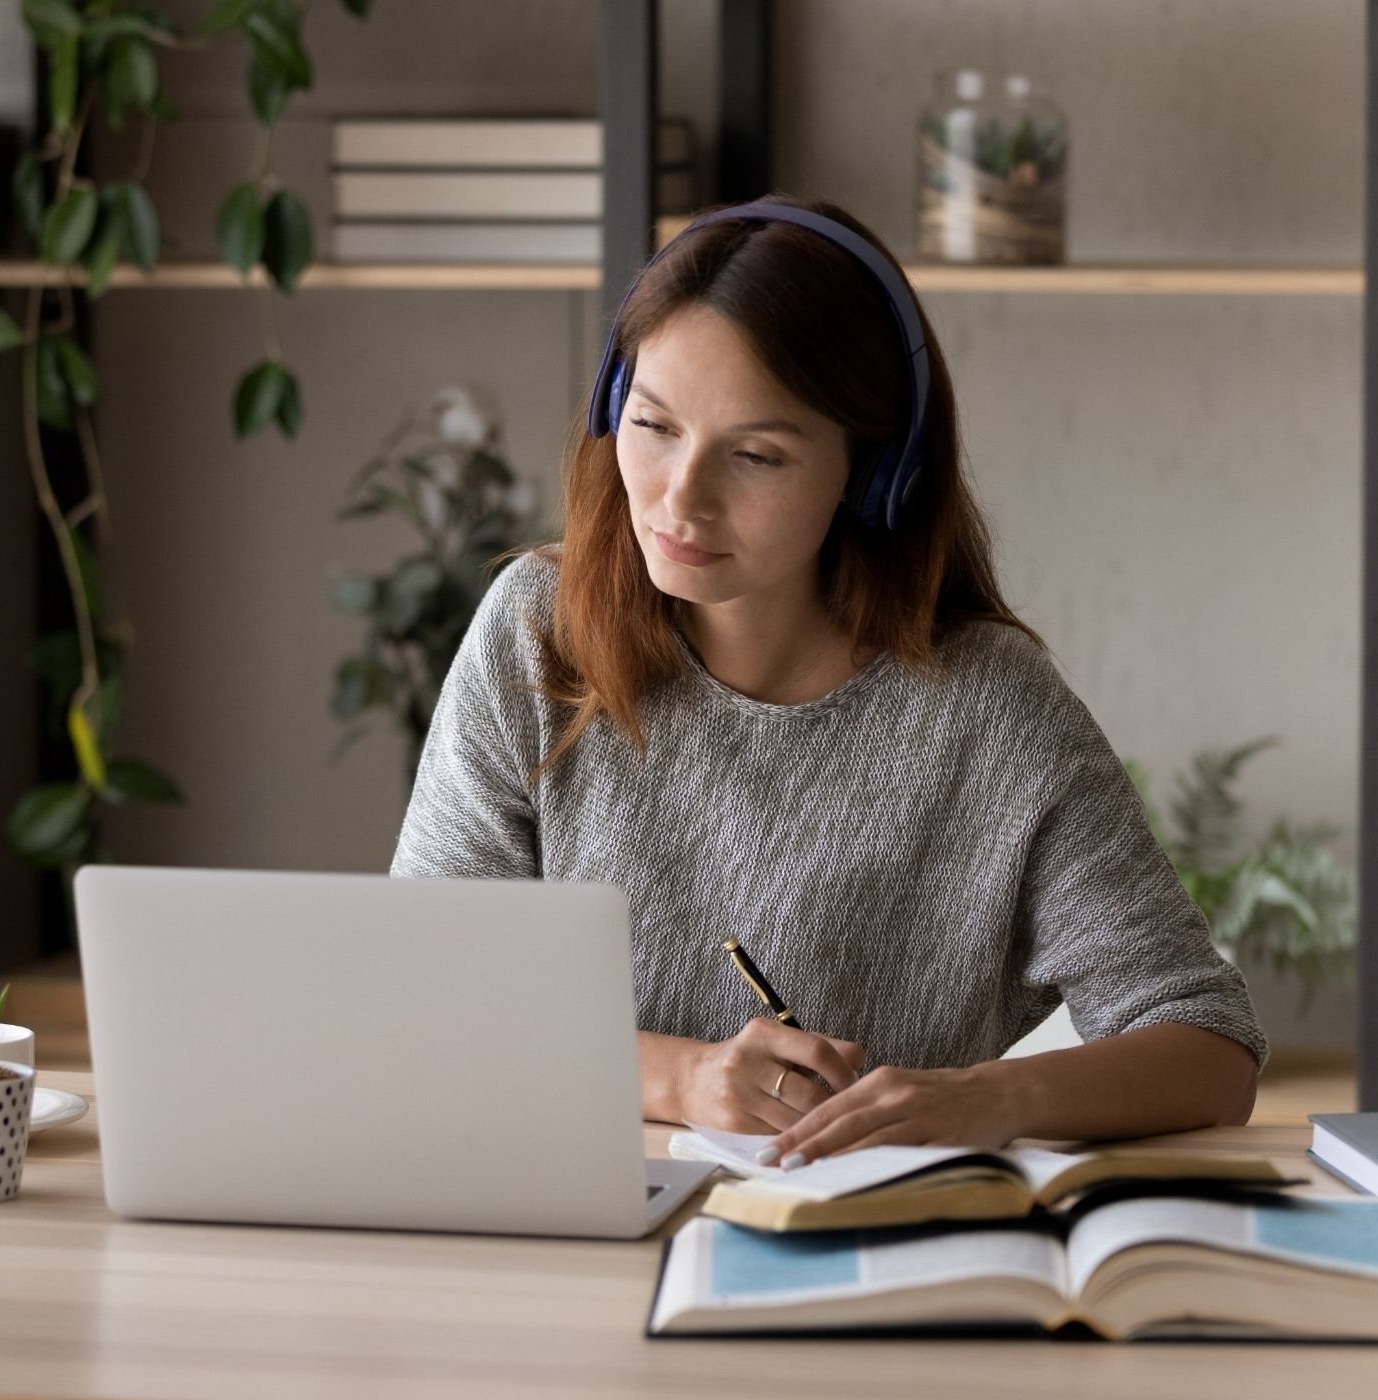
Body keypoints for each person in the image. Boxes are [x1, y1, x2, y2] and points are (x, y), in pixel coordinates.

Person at [390, 192, 1266, 1165]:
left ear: (872, 470)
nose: (681, 496)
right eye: (652, 424)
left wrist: (984, 1097)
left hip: (867, 1255)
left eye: (755, 454)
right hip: (565, 1227)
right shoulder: (534, 632)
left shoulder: (987, 706)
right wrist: (682, 1076)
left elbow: (1208, 1043)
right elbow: (423, 996)